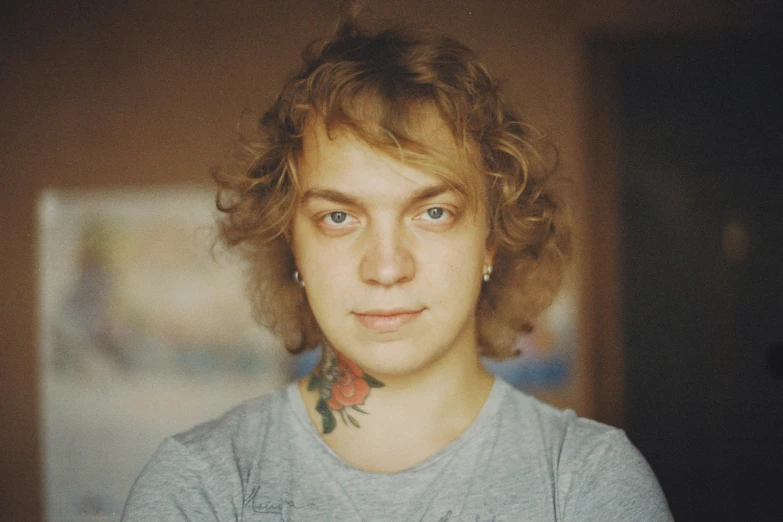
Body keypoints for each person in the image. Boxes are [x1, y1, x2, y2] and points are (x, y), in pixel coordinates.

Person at [123, 10, 673, 521]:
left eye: (433, 212)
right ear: (292, 244)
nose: (386, 268)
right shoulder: (200, 488)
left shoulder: (586, 482)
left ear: (490, 240)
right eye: (339, 217)